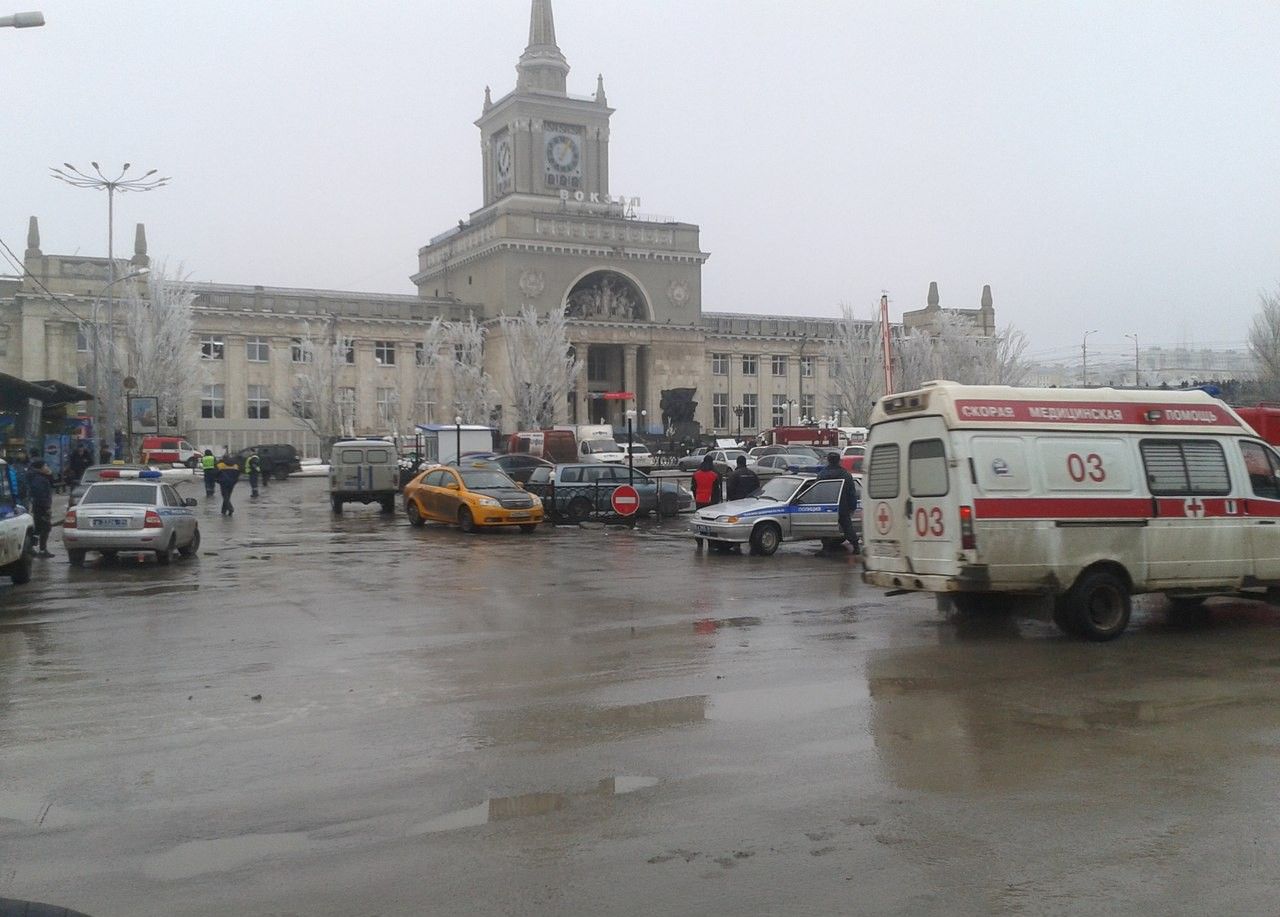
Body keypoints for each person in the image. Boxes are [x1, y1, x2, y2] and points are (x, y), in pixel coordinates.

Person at [816, 451, 859, 552]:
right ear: (839, 461)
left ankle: (825, 549)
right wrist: (853, 506)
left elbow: (818, 491)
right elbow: (852, 492)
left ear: (828, 460)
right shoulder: (846, 474)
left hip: (826, 507)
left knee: (825, 528)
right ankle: (856, 547)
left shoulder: (822, 474)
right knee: (848, 527)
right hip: (843, 507)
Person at [26, 458, 55, 557]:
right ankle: (39, 549)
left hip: (39, 506)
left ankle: (32, 548)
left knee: (39, 528)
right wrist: (46, 507)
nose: (47, 468)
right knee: (45, 528)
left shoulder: (40, 477)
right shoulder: (38, 479)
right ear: (40, 468)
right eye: (45, 466)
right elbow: (40, 495)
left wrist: (49, 474)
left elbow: (52, 484)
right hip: (41, 507)